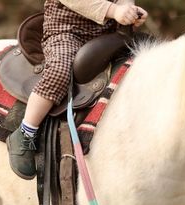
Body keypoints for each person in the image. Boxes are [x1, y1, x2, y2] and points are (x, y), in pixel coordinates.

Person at [8, 0, 148, 180]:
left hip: (107, 33)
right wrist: (114, 10)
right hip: (67, 31)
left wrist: (128, 9)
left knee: (145, 58)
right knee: (60, 72)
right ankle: (26, 131)